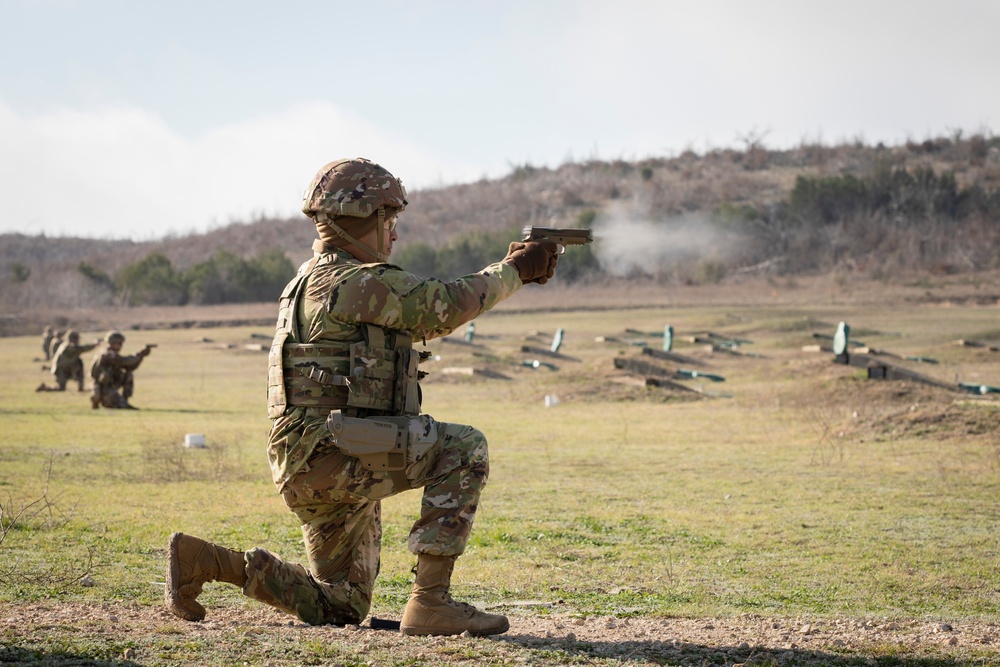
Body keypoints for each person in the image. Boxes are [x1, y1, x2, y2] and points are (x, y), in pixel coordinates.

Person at [165, 158, 559, 636]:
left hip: (315, 458)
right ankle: (431, 602)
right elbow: (444, 306)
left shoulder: (309, 281)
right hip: (333, 453)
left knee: (342, 606)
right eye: (387, 223)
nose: (393, 236)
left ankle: (205, 562)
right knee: (462, 447)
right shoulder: (351, 281)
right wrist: (517, 270)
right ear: (361, 220)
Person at [90, 331, 153, 409]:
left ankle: (124, 400)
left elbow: (129, 366)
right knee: (116, 404)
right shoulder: (109, 355)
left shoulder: (111, 353)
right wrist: (141, 353)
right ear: (112, 343)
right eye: (119, 343)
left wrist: (141, 356)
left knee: (128, 374)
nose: (121, 346)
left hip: (110, 385)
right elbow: (125, 361)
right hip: (104, 387)